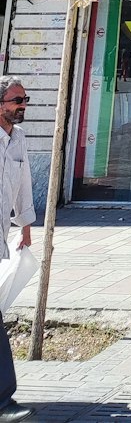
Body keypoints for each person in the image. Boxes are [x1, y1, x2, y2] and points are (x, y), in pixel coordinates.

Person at [0, 77, 36, 422]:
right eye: (15, 100)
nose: (22, 105)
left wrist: (25, 226)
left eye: (24, 99)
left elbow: (24, 183)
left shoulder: (19, 137)